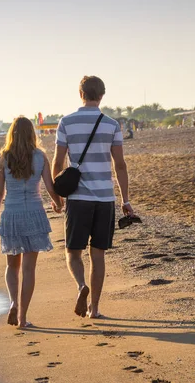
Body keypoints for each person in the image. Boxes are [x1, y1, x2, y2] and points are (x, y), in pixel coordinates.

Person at [52, 76, 134, 319]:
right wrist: (125, 200)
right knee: (97, 254)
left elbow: (57, 163)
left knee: (73, 252)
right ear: (102, 95)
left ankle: (80, 286)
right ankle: (94, 309)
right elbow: (120, 165)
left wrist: (58, 197)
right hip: (105, 199)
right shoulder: (111, 124)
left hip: (78, 199)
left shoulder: (66, 122)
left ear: (81, 94)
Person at [0, 116, 64, 328]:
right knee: (29, 269)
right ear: (32, 133)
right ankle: (22, 318)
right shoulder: (40, 156)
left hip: (11, 214)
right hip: (34, 213)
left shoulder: (3, 157)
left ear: (12, 133)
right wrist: (58, 203)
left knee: (12, 266)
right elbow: (49, 186)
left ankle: (13, 302)